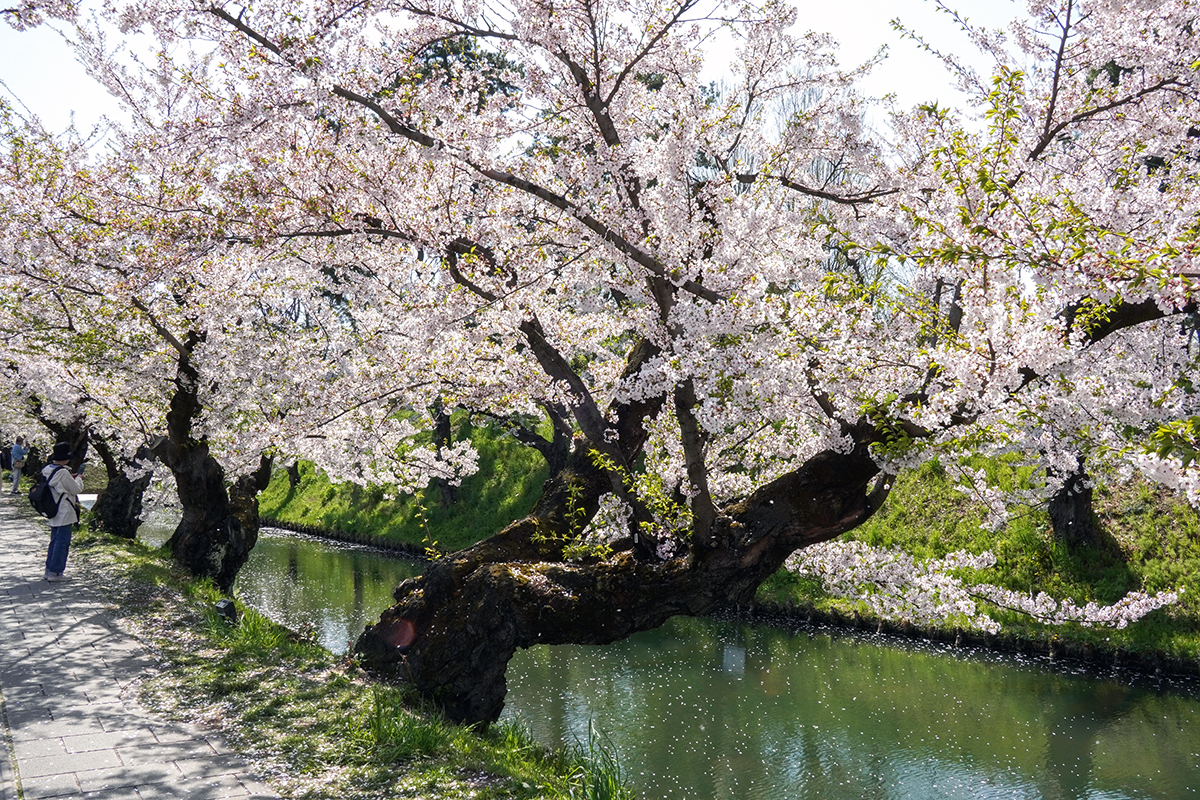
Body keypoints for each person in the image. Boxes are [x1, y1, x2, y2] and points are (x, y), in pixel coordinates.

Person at [42, 442, 83, 583]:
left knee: (55, 540)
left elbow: (58, 484)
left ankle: (49, 570)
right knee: (63, 541)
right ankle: (56, 572)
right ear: (66, 458)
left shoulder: (48, 469)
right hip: (64, 510)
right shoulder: (63, 472)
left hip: (52, 508)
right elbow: (76, 489)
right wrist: (78, 479)